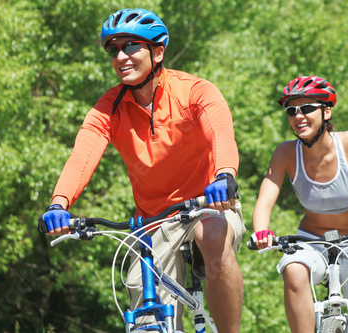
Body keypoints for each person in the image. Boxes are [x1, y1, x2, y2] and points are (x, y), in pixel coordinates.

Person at [39, 8, 245, 332]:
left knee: (214, 235)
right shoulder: (108, 108)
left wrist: (225, 175)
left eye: (131, 46)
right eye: (113, 50)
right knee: (145, 312)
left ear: (158, 51)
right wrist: (59, 203)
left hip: (208, 204)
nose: (121, 56)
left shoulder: (195, 91)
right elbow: (82, 156)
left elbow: (220, 132)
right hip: (153, 222)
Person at [251, 75, 348, 333]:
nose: (298, 116)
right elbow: (265, 201)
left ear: (326, 111)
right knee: (293, 268)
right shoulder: (285, 153)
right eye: (292, 111)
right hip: (311, 242)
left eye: (307, 108)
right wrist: (261, 232)